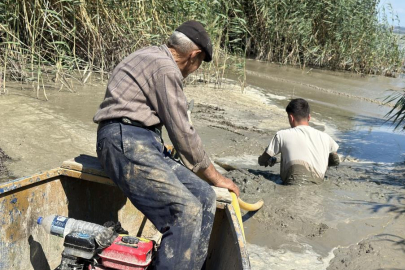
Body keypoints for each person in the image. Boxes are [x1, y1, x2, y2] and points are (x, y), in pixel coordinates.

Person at [93, 21, 239, 270]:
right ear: (194, 56)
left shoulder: (148, 55)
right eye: (199, 64)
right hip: (124, 140)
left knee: (204, 197)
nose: (194, 70)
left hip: (139, 140)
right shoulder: (166, 69)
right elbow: (183, 135)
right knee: (185, 211)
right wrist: (217, 178)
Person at [258, 98, 339, 185]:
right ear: (309, 117)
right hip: (317, 182)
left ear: (291, 117)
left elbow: (262, 161)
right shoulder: (326, 137)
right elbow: (335, 161)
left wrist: (266, 160)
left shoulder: (281, 135)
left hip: (292, 182)